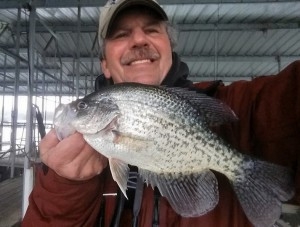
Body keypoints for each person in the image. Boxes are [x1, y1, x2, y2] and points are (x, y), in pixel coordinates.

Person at [22, 0, 300, 226]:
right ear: (104, 64)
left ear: (170, 48)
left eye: (153, 30)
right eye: (121, 34)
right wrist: (66, 184)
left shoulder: (238, 106)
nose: (139, 39)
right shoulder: (71, 156)